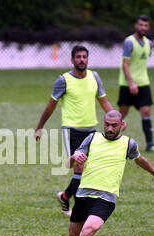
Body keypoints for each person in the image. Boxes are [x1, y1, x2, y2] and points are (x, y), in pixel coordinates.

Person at [55, 110, 154, 236]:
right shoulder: (91, 139)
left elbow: (140, 160)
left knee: (87, 232)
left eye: (114, 125)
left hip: (105, 198)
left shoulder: (128, 143)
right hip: (83, 195)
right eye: (107, 124)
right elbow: (67, 165)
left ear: (122, 125)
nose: (110, 128)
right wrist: (74, 157)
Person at [34, 45, 114, 216]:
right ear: (72, 60)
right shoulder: (63, 80)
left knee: (88, 169)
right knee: (79, 168)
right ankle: (80, 211)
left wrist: (116, 118)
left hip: (91, 129)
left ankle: (64, 196)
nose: (82, 60)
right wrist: (40, 126)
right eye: (78, 57)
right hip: (71, 130)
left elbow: (104, 101)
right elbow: (51, 106)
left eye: (85, 56)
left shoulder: (95, 77)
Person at [118, 15, 154, 153]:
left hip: (144, 83)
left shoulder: (149, 43)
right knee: (123, 112)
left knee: (146, 111)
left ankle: (150, 144)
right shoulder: (129, 42)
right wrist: (131, 83)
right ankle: (107, 139)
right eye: (141, 25)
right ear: (136, 26)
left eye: (145, 25)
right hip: (127, 84)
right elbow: (125, 65)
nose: (143, 28)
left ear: (148, 27)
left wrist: (138, 82)